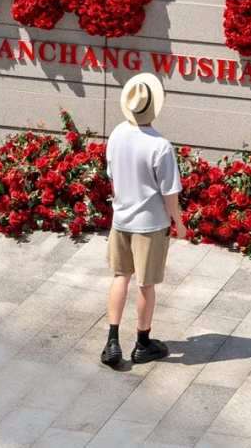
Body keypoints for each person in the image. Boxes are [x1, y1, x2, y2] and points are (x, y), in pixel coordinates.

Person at [101, 73, 186, 369]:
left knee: (119, 277)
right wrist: (179, 223)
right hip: (150, 225)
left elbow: (112, 179)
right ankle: (142, 343)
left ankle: (112, 341)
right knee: (146, 285)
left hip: (121, 220)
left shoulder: (116, 134)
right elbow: (169, 192)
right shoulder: (160, 146)